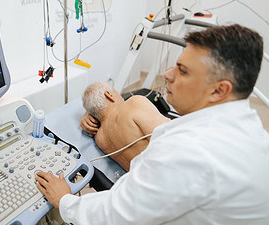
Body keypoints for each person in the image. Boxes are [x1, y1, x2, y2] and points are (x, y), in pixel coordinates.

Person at [35, 24, 269, 224]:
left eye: (183, 70)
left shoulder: (182, 150)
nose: (167, 74)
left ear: (219, 90)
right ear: (110, 95)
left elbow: (115, 216)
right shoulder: (250, 131)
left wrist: (65, 199)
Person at [80, 82, 170, 171]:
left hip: (146, 181)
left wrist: (90, 112)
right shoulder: (134, 103)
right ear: (109, 95)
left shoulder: (99, 138)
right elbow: (172, 137)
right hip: (171, 172)